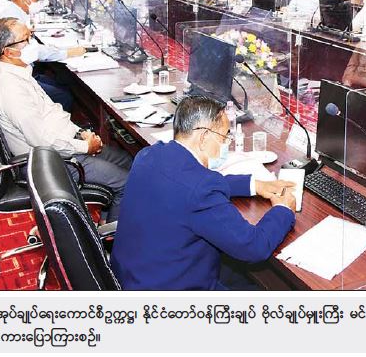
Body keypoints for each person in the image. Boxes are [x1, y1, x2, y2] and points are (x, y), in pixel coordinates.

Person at [109, 96, 296, 290]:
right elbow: (253, 247)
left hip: (129, 275)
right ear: (204, 137)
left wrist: (253, 185)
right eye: (224, 137)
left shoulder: (149, 155)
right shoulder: (201, 190)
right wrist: (283, 209)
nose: (226, 144)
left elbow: (186, 184)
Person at [0, 18, 131, 222]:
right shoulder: (11, 89)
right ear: (9, 52)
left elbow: (51, 114)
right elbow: (41, 140)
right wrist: (84, 146)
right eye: (26, 39)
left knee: (128, 160)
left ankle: (106, 221)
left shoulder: (17, 72)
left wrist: (80, 133)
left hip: (61, 144)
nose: (33, 43)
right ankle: (111, 239)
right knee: (127, 183)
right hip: (50, 160)